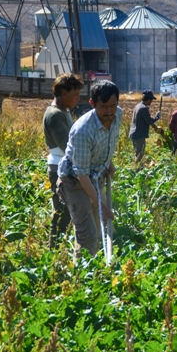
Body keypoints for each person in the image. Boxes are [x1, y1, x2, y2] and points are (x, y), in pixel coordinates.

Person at [56, 80, 123, 258]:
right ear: (92, 104)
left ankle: (94, 270)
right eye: (104, 107)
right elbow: (82, 175)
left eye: (113, 105)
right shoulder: (83, 130)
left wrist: (109, 163)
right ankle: (82, 280)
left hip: (96, 176)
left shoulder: (118, 115)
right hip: (75, 182)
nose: (109, 112)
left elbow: (108, 141)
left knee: (98, 229)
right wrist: (103, 207)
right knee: (88, 237)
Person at [43, 73, 84, 249]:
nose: (78, 98)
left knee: (66, 211)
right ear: (63, 93)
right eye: (75, 94)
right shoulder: (55, 115)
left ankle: (59, 248)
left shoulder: (63, 112)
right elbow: (68, 145)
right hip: (60, 167)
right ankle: (53, 251)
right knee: (61, 213)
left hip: (64, 166)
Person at [128, 90, 162, 163]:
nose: (151, 102)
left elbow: (146, 120)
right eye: (151, 100)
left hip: (135, 134)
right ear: (149, 99)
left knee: (138, 155)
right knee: (140, 157)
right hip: (138, 135)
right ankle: (138, 171)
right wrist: (157, 116)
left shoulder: (139, 105)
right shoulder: (143, 108)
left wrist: (155, 127)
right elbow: (149, 121)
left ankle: (137, 170)